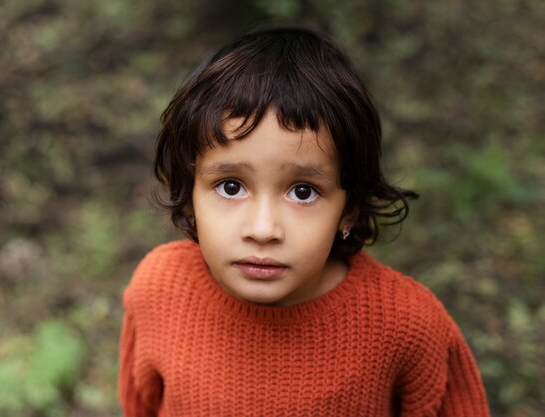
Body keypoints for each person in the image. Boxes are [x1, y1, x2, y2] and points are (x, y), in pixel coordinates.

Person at [117, 25, 490, 416]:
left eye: (302, 192)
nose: (262, 230)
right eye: (230, 186)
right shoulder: (159, 290)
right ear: (190, 192)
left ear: (350, 207)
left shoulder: (407, 327)